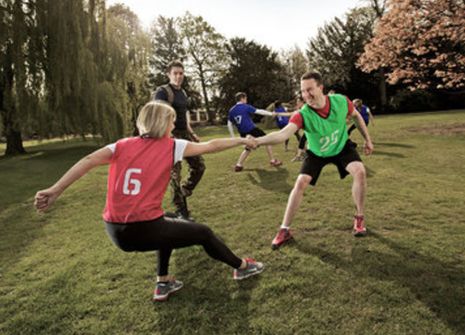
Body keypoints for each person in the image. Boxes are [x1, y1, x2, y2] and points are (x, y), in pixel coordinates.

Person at [34, 101, 264, 302]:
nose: (174, 126)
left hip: (114, 230)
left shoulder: (121, 145)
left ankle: (163, 281)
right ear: (163, 123)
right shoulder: (172, 145)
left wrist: (55, 190)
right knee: (204, 233)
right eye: (172, 121)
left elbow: (87, 160)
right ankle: (242, 267)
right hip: (143, 229)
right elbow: (211, 146)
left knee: (172, 221)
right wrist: (242, 140)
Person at [255, 71, 374, 249]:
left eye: (310, 89)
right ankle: (284, 229)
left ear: (321, 88)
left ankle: (359, 218)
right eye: (303, 91)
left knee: (360, 171)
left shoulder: (341, 101)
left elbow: (356, 116)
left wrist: (367, 139)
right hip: (317, 153)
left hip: (342, 147)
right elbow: (283, 134)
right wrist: (258, 141)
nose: (306, 95)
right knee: (300, 182)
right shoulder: (303, 114)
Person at [153, 60, 205, 219]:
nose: (178, 76)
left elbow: (184, 116)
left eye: (181, 73)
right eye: (175, 73)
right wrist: (165, 137)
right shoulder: (162, 92)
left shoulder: (182, 93)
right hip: (170, 135)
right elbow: (158, 114)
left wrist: (192, 133)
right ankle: (181, 211)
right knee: (175, 174)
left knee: (199, 166)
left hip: (185, 134)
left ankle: (184, 191)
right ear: (169, 74)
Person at [227, 92, 282, 172]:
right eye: (245, 98)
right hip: (252, 130)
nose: (246, 100)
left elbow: (229, 125)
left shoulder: (231, 110)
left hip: (243, 133)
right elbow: (259, 111)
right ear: (242, 98)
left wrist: (233, 137)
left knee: (248, 148)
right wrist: (271, 114)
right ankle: (273, 161)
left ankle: (238, 165)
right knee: (268, 141)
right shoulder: (245, 107)